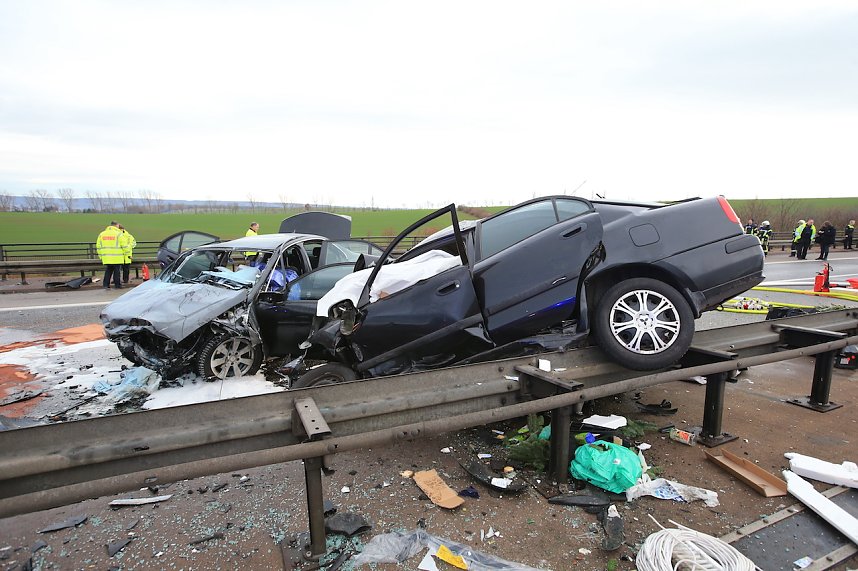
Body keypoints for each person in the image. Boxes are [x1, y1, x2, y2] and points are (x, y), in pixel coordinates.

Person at [96, 221, 130, 290]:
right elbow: (124, 246)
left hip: (106, 257)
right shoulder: (119, 234)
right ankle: (117, 285)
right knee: (117, 272)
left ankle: (105, 285)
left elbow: (98, 246)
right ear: (117, 225)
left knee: (108, 271)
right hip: (117, 257)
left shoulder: (102, 234)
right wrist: (128, 254)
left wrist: (101, 256)